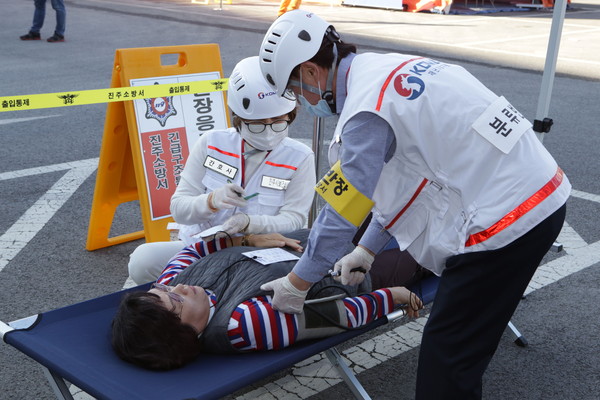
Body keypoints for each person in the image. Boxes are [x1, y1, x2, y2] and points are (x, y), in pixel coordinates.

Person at [256, 10, 571, 399]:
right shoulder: (387, 70)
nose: (300, 102)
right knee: (459, 349)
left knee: (447, 360)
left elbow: (342, 210)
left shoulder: (364, 115)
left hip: (507, 221)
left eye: (293, 90)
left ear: (309, 72)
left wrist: (297, 282)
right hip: (540, 194)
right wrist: (367, 249)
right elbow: (410, 180)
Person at [112, 230, 423, 370]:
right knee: (428, 235)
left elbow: (193, 251)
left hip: (316, 237)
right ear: (187, 334)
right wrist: (391, 296)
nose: (177, 290)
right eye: (175, 304)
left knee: (392, 194)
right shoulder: (240, 325)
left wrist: (246, 239)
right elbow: (335, 315)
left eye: (164, 292)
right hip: (353, 273)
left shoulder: (171, 284)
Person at [128, 56, 315, 285]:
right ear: (238, 117)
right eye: (256, 123)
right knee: (142, 261)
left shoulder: (300, 157)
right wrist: (210, 201)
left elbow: (294, 219)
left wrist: (248, 223)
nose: (268, 131)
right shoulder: (211, 143)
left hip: (258, 253)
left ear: (290, 114)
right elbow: (178, 208)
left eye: (278, 121)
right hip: (202, 248)